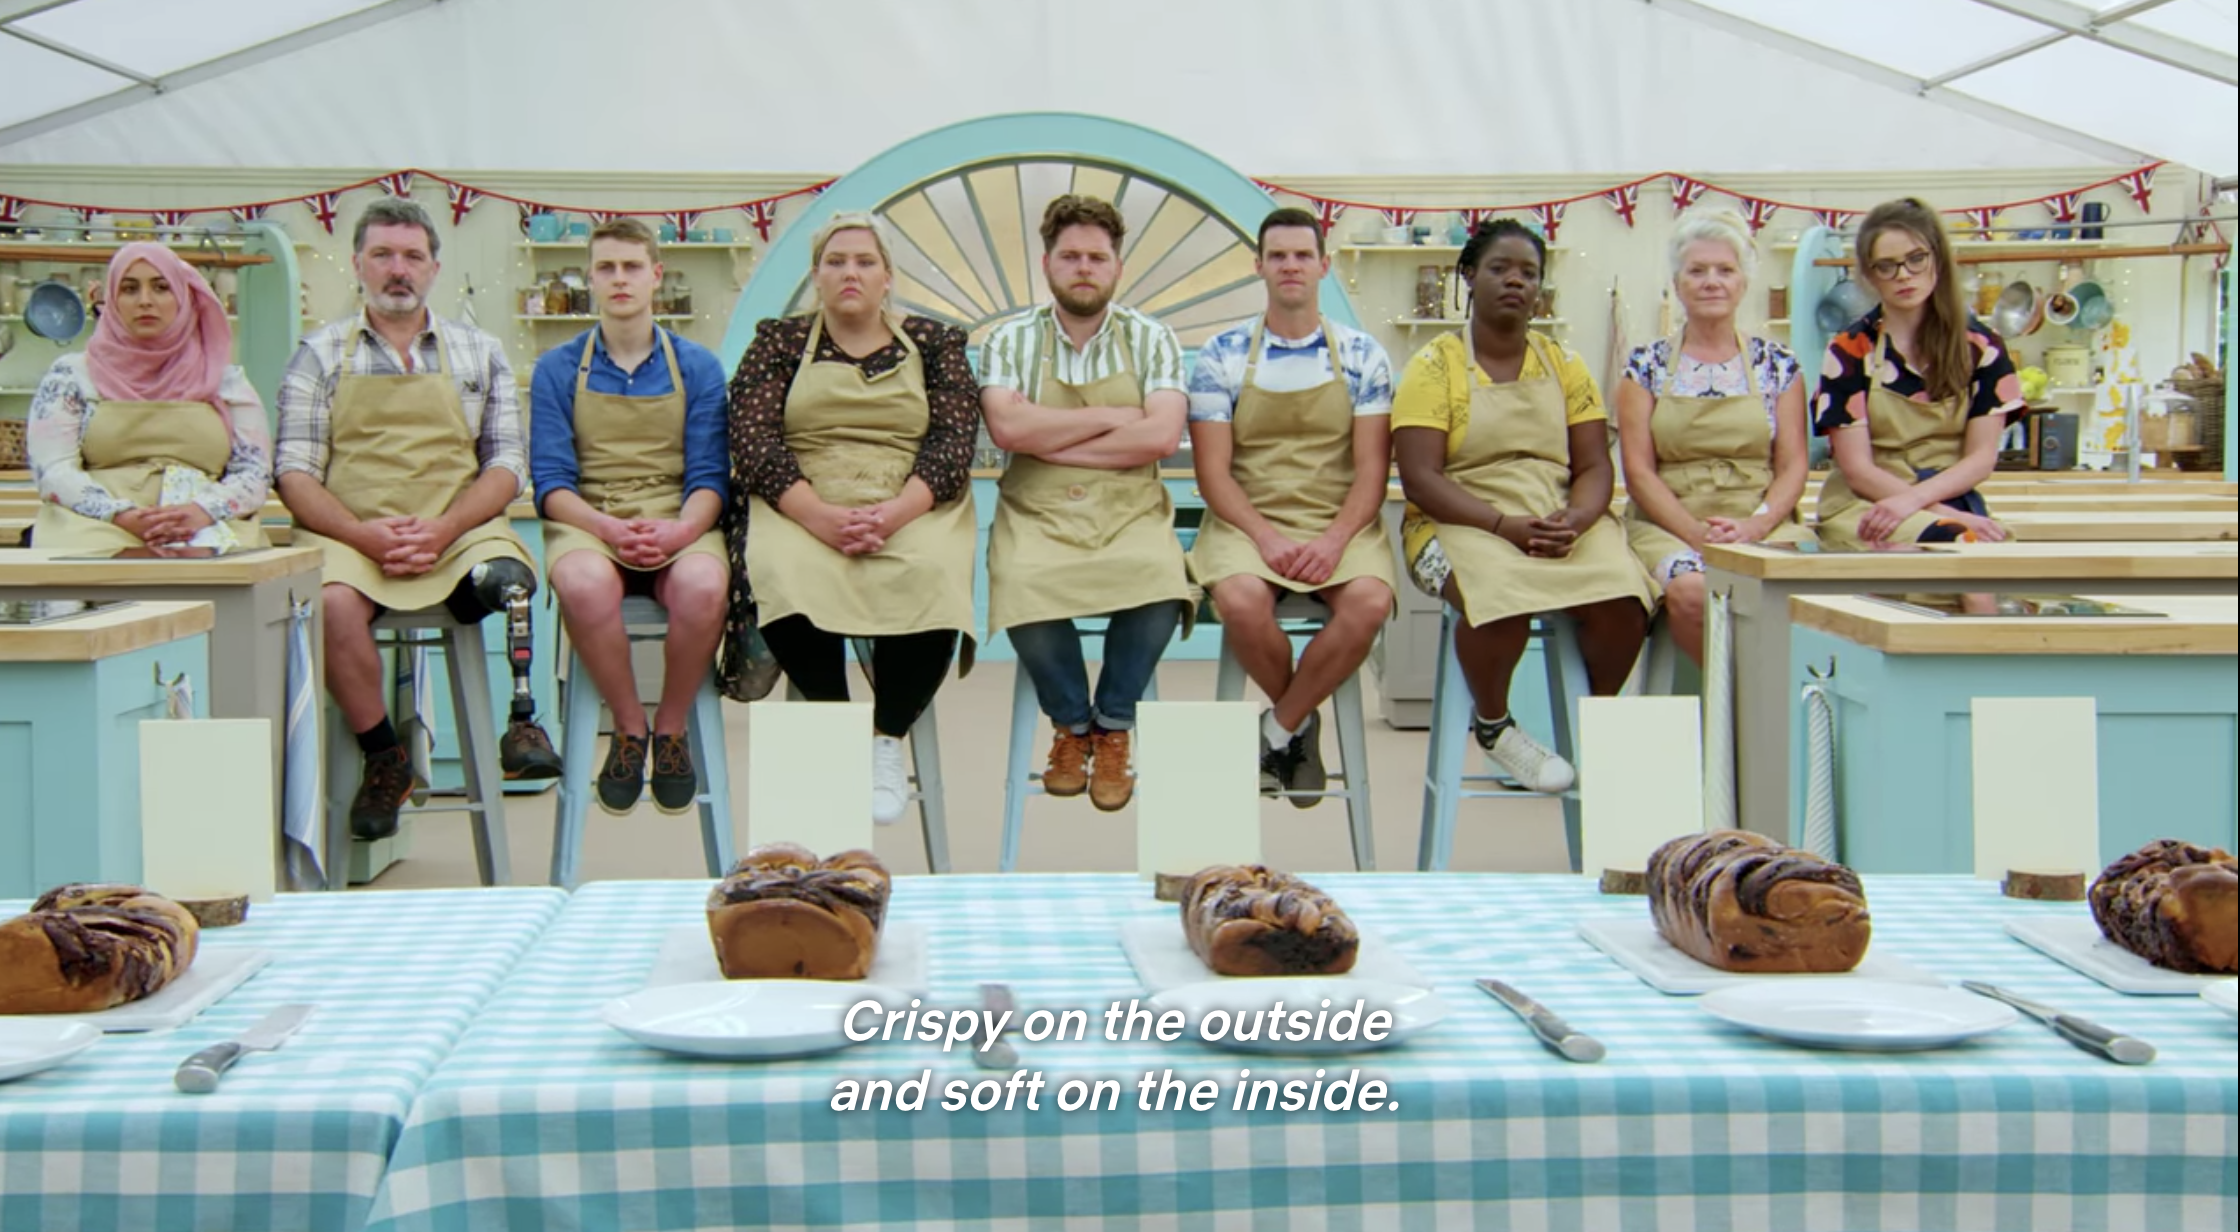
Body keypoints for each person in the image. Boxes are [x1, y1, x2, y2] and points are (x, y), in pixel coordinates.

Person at [275, 197, 562, 842]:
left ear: (434, 267)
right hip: (353, 530)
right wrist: (359, 535)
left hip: (457, 530)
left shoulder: (478, 352)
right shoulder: (318, 354)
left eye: (411, 256)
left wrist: (445, 529)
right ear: (358, 265)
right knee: (331, 604)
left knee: (511, 579)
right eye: (382, 255)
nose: (397, 270)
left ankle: (522, 718)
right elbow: (294, 472)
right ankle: (384, 756)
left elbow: (508, 464)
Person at [725, 213, 981, 824]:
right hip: (801, 498)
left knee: (933, 575)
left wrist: (895, 513)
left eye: (865, 261)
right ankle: (837, 728)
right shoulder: (780, 342)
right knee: (780, 571)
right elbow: (752, 436)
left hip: (910, 500)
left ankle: (885, 740)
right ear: (816, 276)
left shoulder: (936, 343)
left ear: (887, 277)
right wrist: (815, 515)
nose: (850, 272)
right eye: (836, 261)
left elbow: (953, 438)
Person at [1393, 218, 1655, 793]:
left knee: (1624, 595)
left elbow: (1592, 467)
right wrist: (1502, 525)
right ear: (1469, 276)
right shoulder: (1432, 367)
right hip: (1456, 520)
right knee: (1496, 593)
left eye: (1528, 273)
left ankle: (1598, 723)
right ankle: (1494, 725)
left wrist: (1579, 518)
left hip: (1555, 517)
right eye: (1499, 269)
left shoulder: (1565, 365)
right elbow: (1419, 477)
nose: (1516, 281)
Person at [980, 194, 1192, 813]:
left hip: (1130, 509)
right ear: (1046, 264)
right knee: (1021, 583)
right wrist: (1110, 419)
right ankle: (1072, 727)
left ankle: (1114, 723)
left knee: (1160, 584)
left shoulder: (1153, 338)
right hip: (1035, 513)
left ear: (1117, 268)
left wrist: (1051, 435)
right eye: (1070, 255)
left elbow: (1159, 438)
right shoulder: (1009, 339)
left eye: (1097, 257)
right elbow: (1007, 435)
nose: (1083, 267)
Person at [1186, 207, 1396, 799]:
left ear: (1324, 265)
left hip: (1341, 518)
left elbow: (1372, 471)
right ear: (1258, 266)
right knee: (1242, 602)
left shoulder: (1362, 356)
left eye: (1302, 255)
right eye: (1277, 255)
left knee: (1369, 604)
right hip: (1245, 519)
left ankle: (1275, 728)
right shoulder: (1221, 355)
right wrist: (1267, 538)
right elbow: (1212, 474)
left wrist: (1333, 540)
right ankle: (1302, 724)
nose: (1290, 266)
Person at [531, 218, 730, 816]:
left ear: (656, 276)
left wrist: (683, 531)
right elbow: (552, 484)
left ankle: (670, 729)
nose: (620, 279)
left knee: (702, 584)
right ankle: (627, 728)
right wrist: (609, 529)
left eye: (632, 267)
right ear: (591, 278)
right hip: (589, 518)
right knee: (583, 583)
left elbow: (709, 478)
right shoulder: (557, 369)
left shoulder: (698, 367)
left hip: (678, 513)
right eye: (607, 268)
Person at [1615, 209, 1811, 664]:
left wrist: (1756, 526)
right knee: (1694, 593)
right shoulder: (1644, 366)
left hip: (1758, 521)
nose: (1711, 282)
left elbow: (1793, 464)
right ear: (1678, 284)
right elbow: (1639, 471)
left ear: (1744, 282)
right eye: (1697, 271)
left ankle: (1771, 719)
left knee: (1791, 589)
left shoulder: (1777, 365)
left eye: (1725, 270)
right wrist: (1696, 535)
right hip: (1668, 526)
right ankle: (1725, 718)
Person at [27, 242, 270, 552]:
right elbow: (53, 469)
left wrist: (202, 511)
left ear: (184, 299)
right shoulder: (72, 376)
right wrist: (121, 514)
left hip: (207, 522)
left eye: (161, 288)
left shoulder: (225, 380)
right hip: (97, 525)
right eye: (129, 289)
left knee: (213, 568)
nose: (145, 301)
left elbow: (254, 471)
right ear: (112, 300)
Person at [1813, 197, 2021, 550]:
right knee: (1959, 540)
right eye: (1886, 266)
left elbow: (1981, 458)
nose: (1903, 275)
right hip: (1866, 506)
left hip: (1947, 502)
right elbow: (1858, 471)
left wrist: (1921, 503)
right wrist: (1939, 514)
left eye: (1915, 259)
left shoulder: (1983, 349)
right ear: (1868, 274)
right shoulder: (1850, 351)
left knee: (1993, 553)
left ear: (1937, 258)